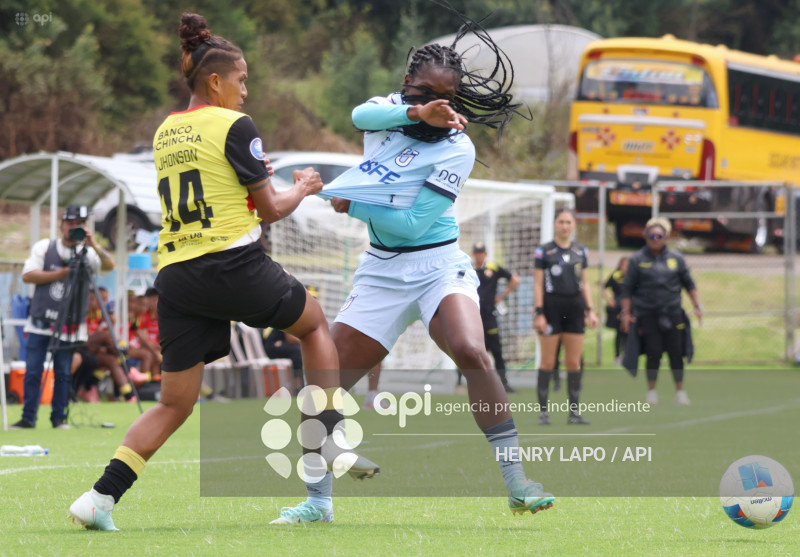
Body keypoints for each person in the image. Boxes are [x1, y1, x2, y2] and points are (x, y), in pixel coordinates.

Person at [68, 13, 375, 531]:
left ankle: (99, 499)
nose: (246, 91)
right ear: (216, 80)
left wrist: (256, 183)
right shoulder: (236, 125)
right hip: (231, 264)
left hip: (178, 276)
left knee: (174, 403)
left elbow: (216, 190)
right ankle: (330, 437)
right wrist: (302, 186)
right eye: (242, 79)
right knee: (316, 325)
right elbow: (272, 209)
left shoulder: (166, 131)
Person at [272, 19, 554, 525]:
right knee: (322, 385)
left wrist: (350, 203)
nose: (438, 106)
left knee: (471, 350)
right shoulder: (384, 114)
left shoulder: (457, 147)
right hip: (381, 273)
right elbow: (360, 113)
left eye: (447, 98)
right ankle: (317, 503)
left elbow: (409, 224)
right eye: (426, 94)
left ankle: (518, 484)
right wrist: (414, 111)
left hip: (438, 266)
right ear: (407, 88)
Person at [11, 204, 115, 430]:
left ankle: (59, 418)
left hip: (69, 325)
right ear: (61, 225)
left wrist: (94, 244)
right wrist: (62, 274)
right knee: (33, 372)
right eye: (70, 224)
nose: (73, 228)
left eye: (79, 225)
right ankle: (28, 418)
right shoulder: (45, 247)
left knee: (63, 373)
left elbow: (109, 265)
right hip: (40, 322)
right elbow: (28, 275)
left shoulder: (88, 253)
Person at [620, 217, 702, 406]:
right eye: (651, 235)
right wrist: (626, 313)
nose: (655, 239)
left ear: (666, 237)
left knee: (676, 352)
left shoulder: (676, 258)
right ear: (646, 236)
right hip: (648, 314)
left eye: (659, 235)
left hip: (673, 312)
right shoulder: (638, 259)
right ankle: (651, 392)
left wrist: (697, 306)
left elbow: (689, 284)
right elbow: (627, 289)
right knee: (653, 352)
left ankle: (680, 391)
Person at [533, 207, 599, 426]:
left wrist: (590, 309)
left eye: (568, 222)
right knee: (548, 361)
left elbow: (585, 283)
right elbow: (537, 284)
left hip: (574, 308)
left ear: (574, 226)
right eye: (561, 221)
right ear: (554, 224)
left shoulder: (581, 251)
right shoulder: (544, 251)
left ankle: (574, 413)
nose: (564, 226)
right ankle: (543, 413)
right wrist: (539, 312)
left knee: (573, 362)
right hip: (551, 307)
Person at [471, 241, 520, 393]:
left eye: (481, 252)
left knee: (497, 349)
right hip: (473, 317)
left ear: (485, 254)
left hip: (490, 316)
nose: (479, 255)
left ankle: (504, 383)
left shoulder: (493, 268)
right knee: (472, 350)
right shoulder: (469, 270)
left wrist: (502, 295)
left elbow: (515, 279)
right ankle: (468, 382)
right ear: (474, 254)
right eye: (477, 252)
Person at [604, 257, 629, 366]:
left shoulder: (632, 276)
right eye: (624, 265)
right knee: (619, 332)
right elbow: (603, 287)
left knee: (627, 333)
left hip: (628, 309)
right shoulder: (615, 275)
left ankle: (626, 356)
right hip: (618, 308)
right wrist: (609, 300)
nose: (625, 267)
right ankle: (617, 356)